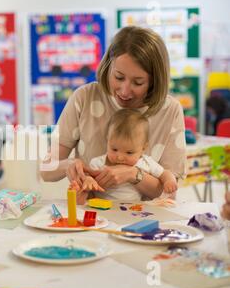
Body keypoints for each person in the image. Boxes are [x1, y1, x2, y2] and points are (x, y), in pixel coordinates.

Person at [40, 26, 187, 201]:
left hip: (144, 222)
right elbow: (46, 171)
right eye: (118, 77)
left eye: (138, 82)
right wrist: (69, 165)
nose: (124, 91)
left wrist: (134, 174)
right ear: (108, 66)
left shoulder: (170, 111)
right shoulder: (85, 97)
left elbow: (169, 191)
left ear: (155, 81)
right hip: (93, 219)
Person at [70, 109, 177, 204]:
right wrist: (88, 181)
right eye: (114, 149)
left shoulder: (145, 162)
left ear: (143, 148)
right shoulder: (98, 163)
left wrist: (170, 181)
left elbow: (164, 173)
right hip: (102, 208)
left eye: (129, 152)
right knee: (82, 195)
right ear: (108, 141)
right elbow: (88, 178)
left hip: (133, 209)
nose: (120, 157)